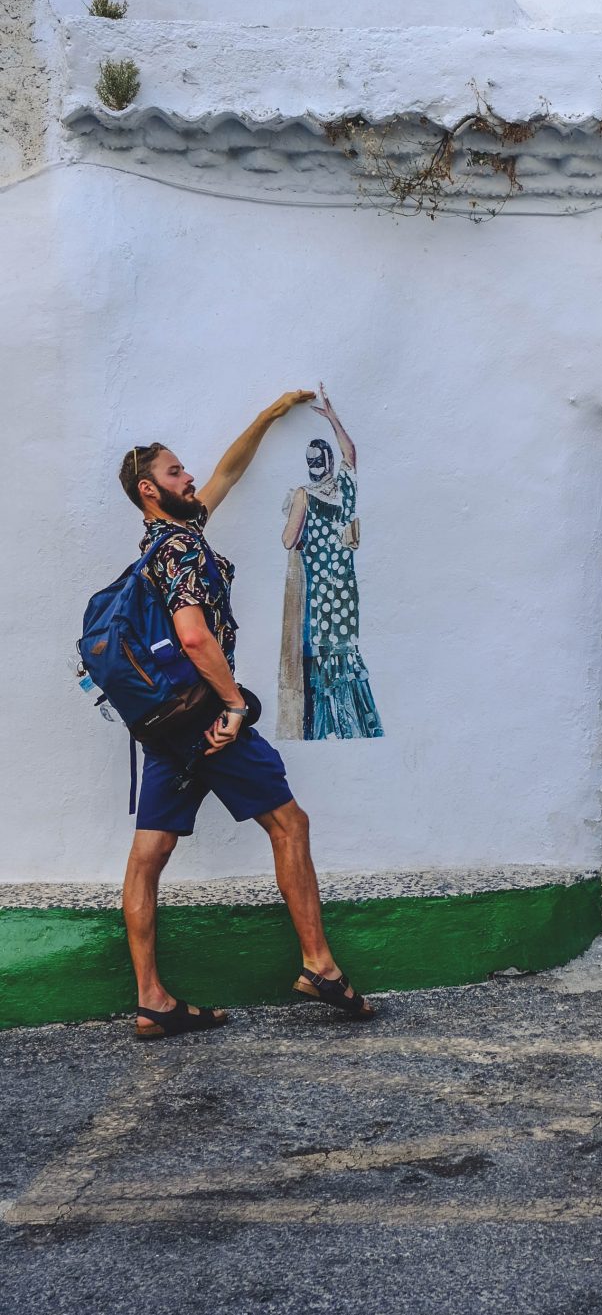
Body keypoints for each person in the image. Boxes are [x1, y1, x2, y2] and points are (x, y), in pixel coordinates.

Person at [118, 394, 374, 1039]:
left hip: (167, 727)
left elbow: (227, 472)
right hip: (211, 722)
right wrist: (235, 704)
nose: (192, 478)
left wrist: (265, 418)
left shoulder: (165, 542)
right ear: (151, 489)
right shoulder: (180, 552)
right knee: (290, 823)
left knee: (149, 854)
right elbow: (195, 636)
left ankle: (152, 999)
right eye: (177, 473)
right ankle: (318, 964)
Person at [278, 385, 383, 741]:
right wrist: (334, 419)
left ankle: (325, 729)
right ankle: (355, 724)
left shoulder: (305, 496)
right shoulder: (345, 487)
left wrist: (293, 512)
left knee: (322, 660)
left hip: (320, 595)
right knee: (346, 654)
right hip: (346, 592)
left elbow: (288, 540)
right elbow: (351, 453)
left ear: (312, 466)